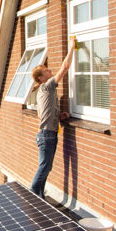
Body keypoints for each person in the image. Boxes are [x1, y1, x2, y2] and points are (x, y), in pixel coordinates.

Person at [26, 36, 76, 198]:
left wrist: (59, 116)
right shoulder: (47, 86)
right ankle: (34, 194)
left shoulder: (44, 91)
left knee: (47, 167)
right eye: (46, 71)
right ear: (41, 78)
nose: (50, 71)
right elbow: (65, 68)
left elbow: (43, 113)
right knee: (44, 167)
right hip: (47, 135)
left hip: (47, 134)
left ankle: (39, 195)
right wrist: (72, 47)